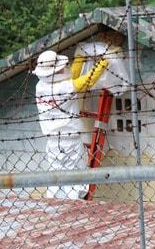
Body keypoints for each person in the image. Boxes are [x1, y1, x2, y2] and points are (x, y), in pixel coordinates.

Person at [33, 50, 108, 199]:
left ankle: (55, 207)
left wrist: (80, 57)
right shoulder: (64, 88)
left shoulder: (40, 87)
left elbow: (70, 77)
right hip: (70, 142)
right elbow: (86, 81)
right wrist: (103, 62)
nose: (64, 68)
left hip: (52, 142)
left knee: (56, 179)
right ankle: (74, 208)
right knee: (76, 178)